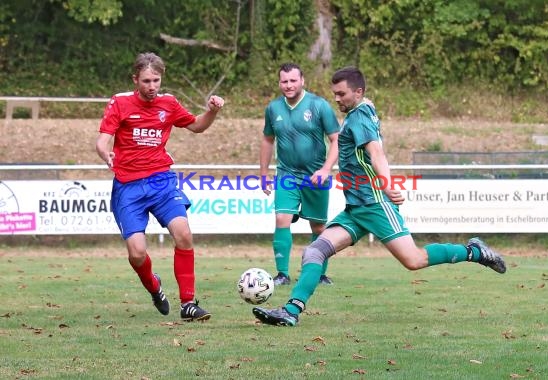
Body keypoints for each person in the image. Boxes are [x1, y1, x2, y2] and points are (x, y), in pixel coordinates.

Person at [253, 66, 507, 326]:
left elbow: (376, 153)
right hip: (355, 209)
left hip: (375, 204)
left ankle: (474, 251)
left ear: (358, 92)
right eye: (335, 94)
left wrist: (386, 185)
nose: (337, 99)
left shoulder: (360, 117)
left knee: (414, 260)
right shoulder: (359, 110)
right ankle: (291, 311)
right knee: (314, 252)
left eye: (341, 94)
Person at [95, 52, 224, 321]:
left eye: (156, 80)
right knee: (137, 253)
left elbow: (197, 126)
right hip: (128, 187)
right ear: (135, 79)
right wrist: (106, 154)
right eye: (146, 81)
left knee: (184, 234)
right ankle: (154, 286)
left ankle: (188, 304)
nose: (152, 86)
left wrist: (212, 111)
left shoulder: (169, 103)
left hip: (161, 181)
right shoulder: (120, 103)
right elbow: (102, 140)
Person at [260, 63, 340, 286]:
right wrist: (264, 173)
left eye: (293, 80)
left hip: (316, 177)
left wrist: (326, 169)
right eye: (284, 81)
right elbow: (267, 140)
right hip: (286, 174)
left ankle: (318, 273)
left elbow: (336, 139)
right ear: (279, 83)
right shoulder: (273, 108)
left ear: (302, 80)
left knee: (318, 226)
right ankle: (282, 274)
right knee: (281, 218)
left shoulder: (319, 105)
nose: (289, 85)